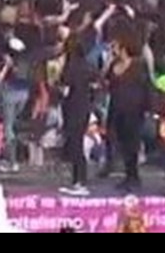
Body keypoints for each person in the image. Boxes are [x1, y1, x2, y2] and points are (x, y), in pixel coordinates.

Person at [106, 32, 151, 193]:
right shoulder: (113, 65)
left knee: (132, 144)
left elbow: (147, 86)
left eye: (115, 46)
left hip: (134, 109)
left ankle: (134, 176)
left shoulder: (139, 64)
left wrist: (148, 108)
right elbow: (107, 83)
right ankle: (126, 174)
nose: (113, 48)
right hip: (117, 108)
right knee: (122, 143)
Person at [58, 33, 98, 196]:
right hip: (85, 107)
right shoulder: (88, 65)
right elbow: (95, 85)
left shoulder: (70, 66)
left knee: (75, 145)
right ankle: (79, 180)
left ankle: (79, 181)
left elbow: (65, 89)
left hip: (72, 108)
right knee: (78, 143)